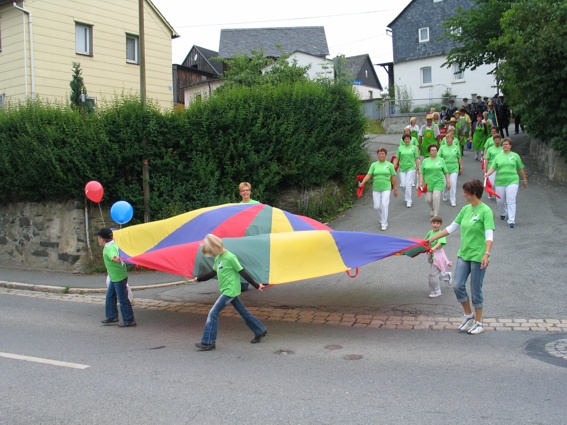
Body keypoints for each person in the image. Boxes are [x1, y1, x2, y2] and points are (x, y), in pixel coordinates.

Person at [426, 179, 495, 335]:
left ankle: (479, 322)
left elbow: (489, 234)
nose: (463, 194)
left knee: (476, 290)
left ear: (474, 193)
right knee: (458, 285)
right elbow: (451, 228)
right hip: (464, 254)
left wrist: (486, 254)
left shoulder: (485, 211)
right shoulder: (465, 209)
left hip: (478, 256)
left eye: (465, 192)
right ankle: (468, 315)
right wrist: (431, 239)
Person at [192, 234, 268, 351]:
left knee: (213, 313)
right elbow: (213, 273)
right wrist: (199, 278)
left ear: (216, 247)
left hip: (230, 291)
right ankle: (259, 330)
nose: (211, 255)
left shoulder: (230, 257)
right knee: (242, 311)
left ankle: (208, 342)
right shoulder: (218, 258)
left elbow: (242, 272)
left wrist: (256, 285)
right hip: (227, 290)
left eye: (211, 252)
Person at [96, 228, 136, 327]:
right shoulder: (113, 244)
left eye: (98, 238)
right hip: (115, 277)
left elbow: (114, 258)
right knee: (110, 296)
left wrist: (120, 259)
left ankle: (129, 320)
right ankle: (112, 316)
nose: (98, 240)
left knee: (123, 299)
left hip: (118, 277)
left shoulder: (109, 249)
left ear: (102, 239)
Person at [484, 138, 528, 228]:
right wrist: (487, 174)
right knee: (500, 201)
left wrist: (524, 179)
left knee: (511, 200)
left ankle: (511, 220)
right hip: (500, 181)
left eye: (506, 144)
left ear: (510, 146)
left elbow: (520, 168)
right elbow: (493, 168)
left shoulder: (515, 156)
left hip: (512, 180)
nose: (505, 146)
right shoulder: (498, 156)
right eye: (503, 144)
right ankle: (503, 212)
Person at [359, 147, 398, 230]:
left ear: (385, 155)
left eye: (382, 154)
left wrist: (395, 189)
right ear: (377, 155)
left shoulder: (390, 165)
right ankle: (382, 217)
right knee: (376, 206)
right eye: (379, 154)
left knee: (384, 204)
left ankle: (384, 223)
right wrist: (362, 182)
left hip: (386, 187)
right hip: (376, 188)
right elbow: (369, 175)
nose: (381, 155)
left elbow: (393, 178)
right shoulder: (374, 165)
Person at [425, 216, 452, 298]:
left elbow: (440, 243)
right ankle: (447, 276)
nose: (435, 225)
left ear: (441, 224)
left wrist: (433, 248)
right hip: (432, 255)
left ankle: (436, 291)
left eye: (437, 223)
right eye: (434, 223)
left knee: (433, 275)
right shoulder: (430, 232)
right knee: (436, 273)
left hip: (438, 255)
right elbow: (425, 241)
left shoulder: (441, 233)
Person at [419, 144, 450, 217]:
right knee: (428, 199)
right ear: (429, 152)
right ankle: (433, 208)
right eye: (432, 150)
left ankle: (435, 215)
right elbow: (422, 173)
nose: (434, 152)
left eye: (435, 150)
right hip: (428, 183)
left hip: (438, 182)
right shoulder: (425, 161)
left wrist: (448, 181)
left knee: (436, 197)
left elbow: (446, 172)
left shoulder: (441, 160)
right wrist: (420, 182)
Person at [394, 134, 420, 208]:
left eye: (408, 139)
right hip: (402, 168)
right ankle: (407, 195)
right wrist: (393, 166)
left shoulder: (413, 148)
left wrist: (418, 168)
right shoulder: (400, 148)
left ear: (410, 139)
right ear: (403, 140)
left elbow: (417, 159)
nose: (407, 140)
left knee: (408, 183)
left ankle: (409, 200)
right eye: (406, 139)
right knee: (403, 185)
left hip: (411, 167)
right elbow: (397, 158)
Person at [438, 132, 462, 207]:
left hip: (454, 168)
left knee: (453, 183)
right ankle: (445, 194)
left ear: (452, 139)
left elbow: (459, 157)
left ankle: (453, 200)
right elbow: (439, 157)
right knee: (445, 184)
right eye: (447, 139)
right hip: (445, 169)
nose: (448, 140)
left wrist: (461, 166)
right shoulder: (442, 148)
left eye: (450, 139)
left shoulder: (456, 147)